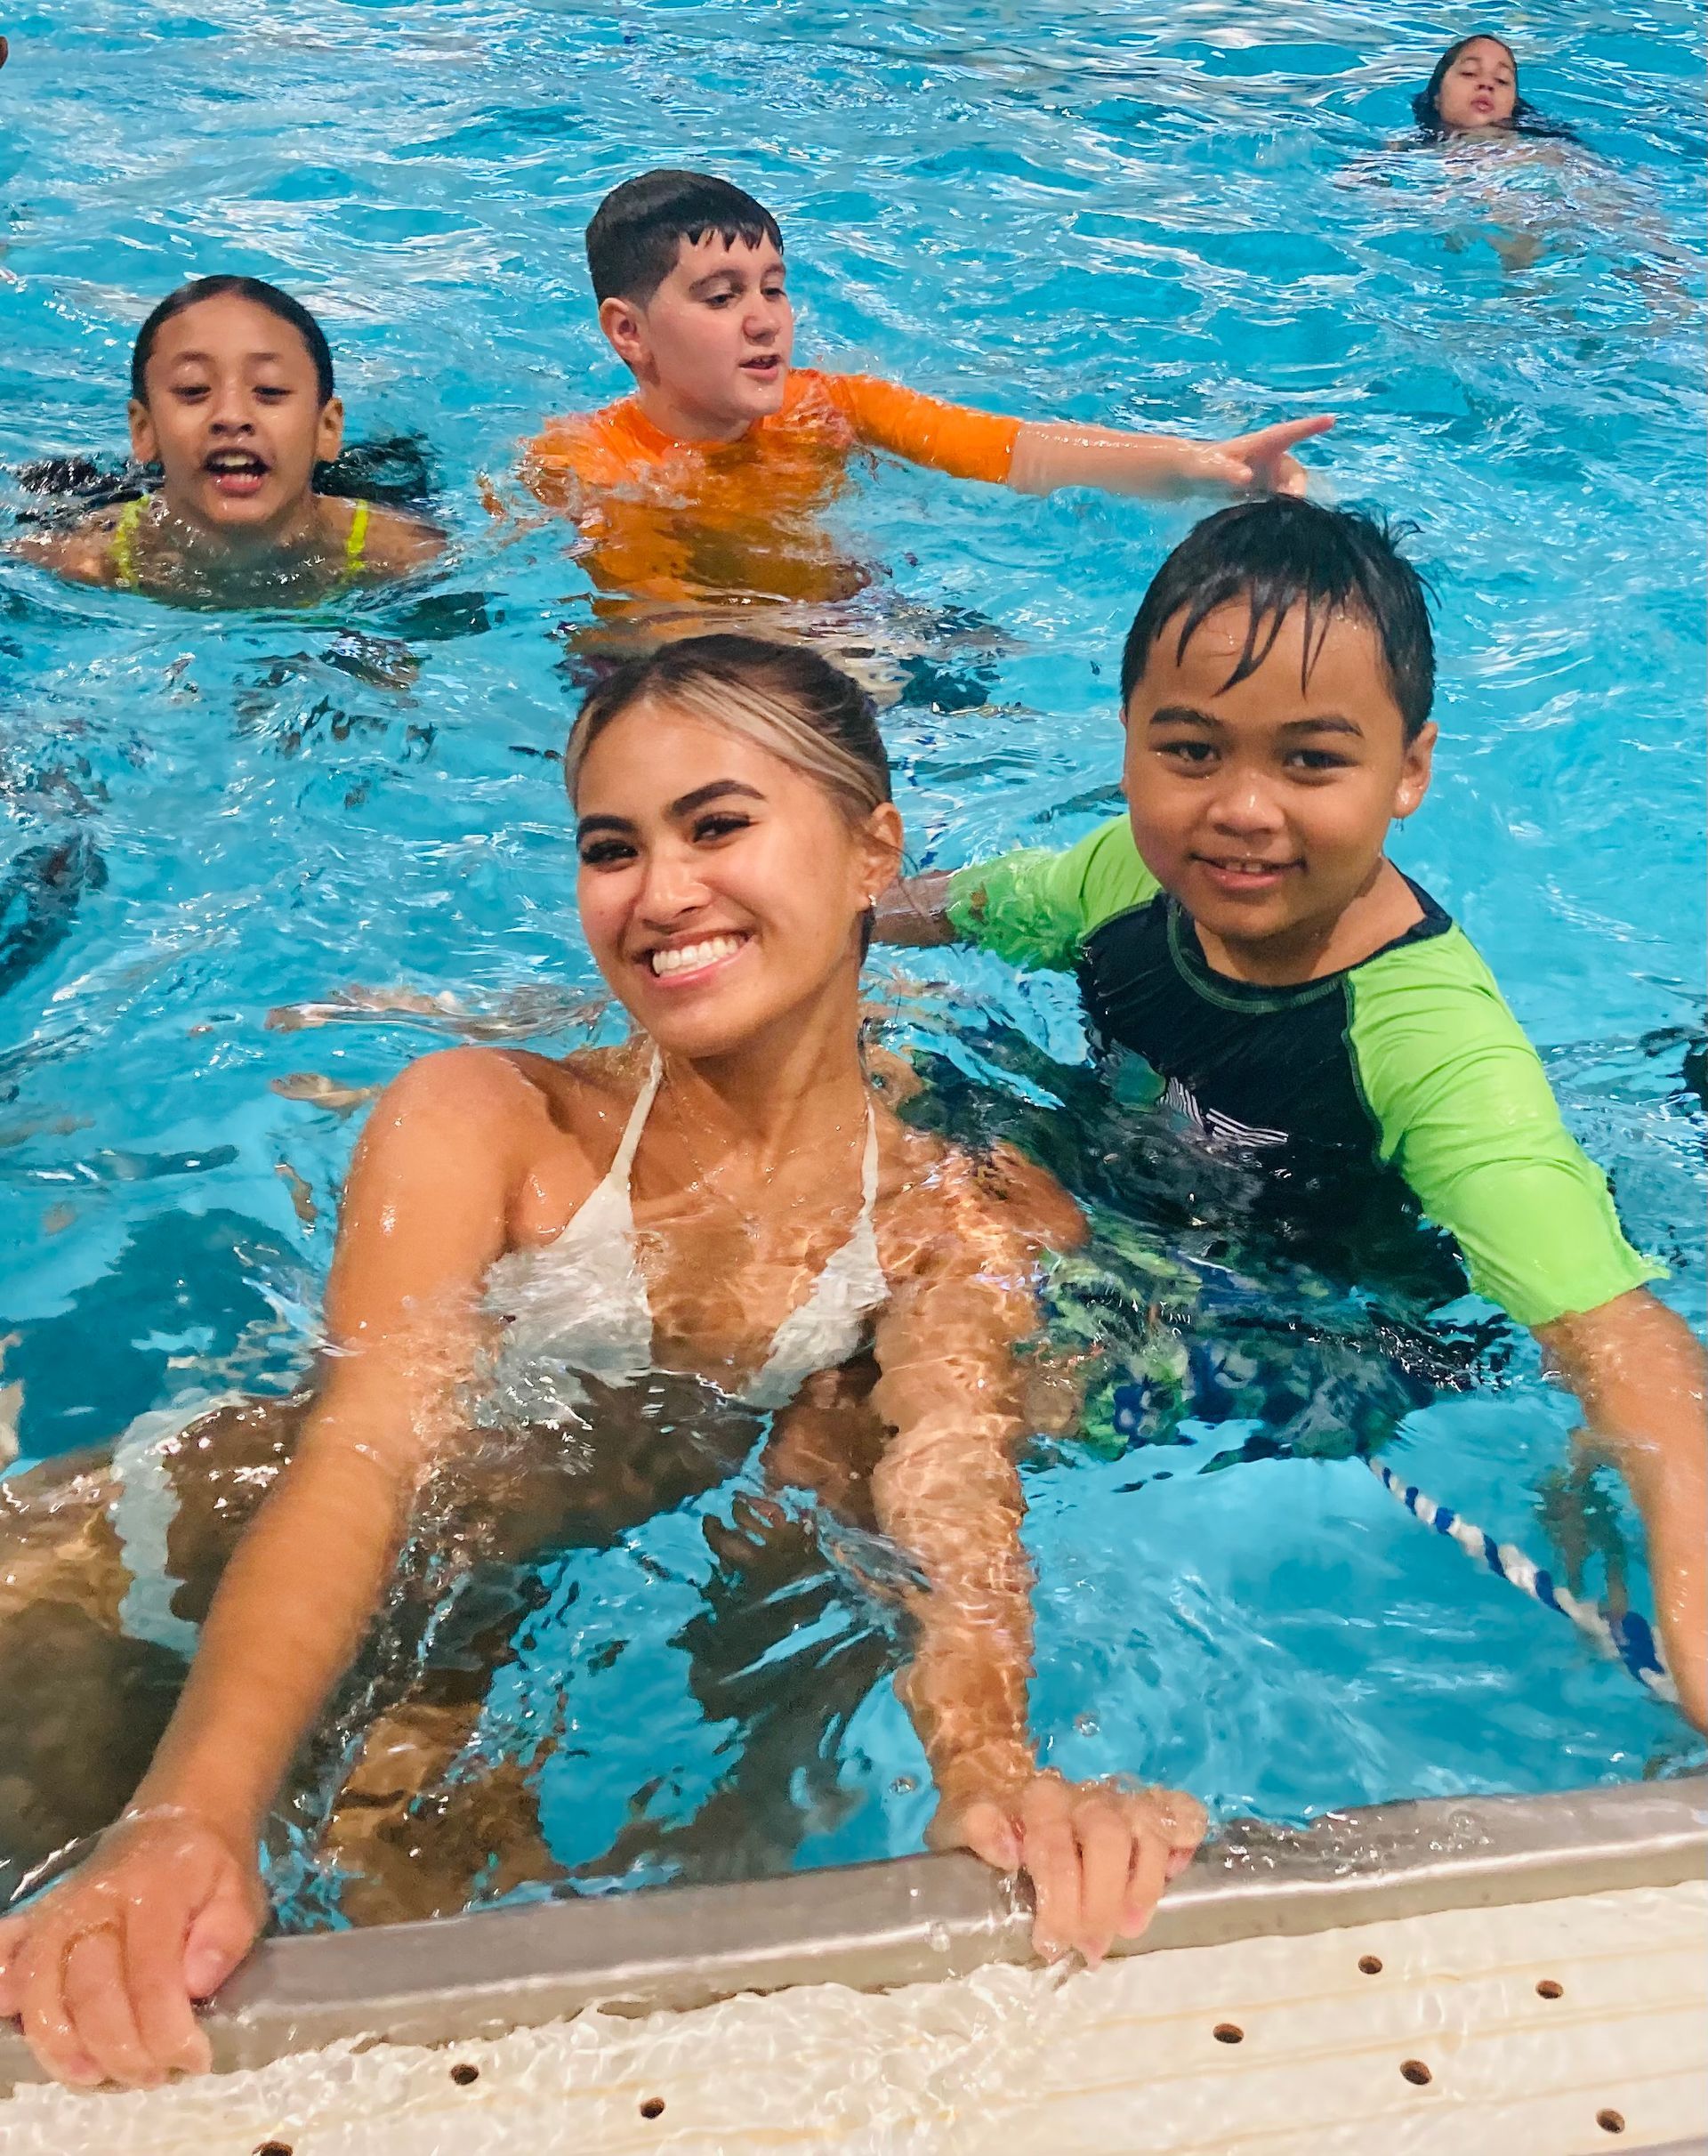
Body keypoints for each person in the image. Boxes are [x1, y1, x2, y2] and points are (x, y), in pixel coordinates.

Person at [0, 634, 1204, 2090]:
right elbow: (361, 1458)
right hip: (119, 1594)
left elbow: (947, 1491)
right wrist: (192, 1809)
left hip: (440, 1654)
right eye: (610, 847)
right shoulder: (490, 1125)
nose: (660, 892)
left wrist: (991, 1777)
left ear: (873, 843)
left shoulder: (943, 1199)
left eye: (718, 824)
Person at [878, 497, 1707, 1731]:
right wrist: (811, 919)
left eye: (1311, 760)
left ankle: (968, 1722)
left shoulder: (1431, 1047)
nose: (1243, 809)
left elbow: (1619, 1339)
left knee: (982, 1369)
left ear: (1409, 771)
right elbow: (952, 905)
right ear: (1128, 744)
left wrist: (1690, 1589)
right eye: (1193, 750)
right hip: (1128, 1195)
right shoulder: (1117, 877)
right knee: (862, 1065)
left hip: (1335, 1330)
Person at [520, 169, 1333, 616]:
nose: (765, 321)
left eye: (774, 288)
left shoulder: (827, 407)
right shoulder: (589, 465)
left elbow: (1012, 451)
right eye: (722, 296)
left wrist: (1207, 467)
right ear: (628, 333)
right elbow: (660, 630)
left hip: (839, 627)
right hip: (713, 669)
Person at [15, 278, 443, 605]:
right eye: (192, 390)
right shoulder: (83, 559)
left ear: (326, 428)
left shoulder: (401, 554)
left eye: (270, 391)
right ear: (144, 431)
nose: (231, 416)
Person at [1410, 34, 1575, 143]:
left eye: (1501, 80)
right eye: (1469, 73)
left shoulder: (1553, 154)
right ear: (1437, 95)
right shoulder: (1401, 154)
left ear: (1513, 106)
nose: (1487, 84)